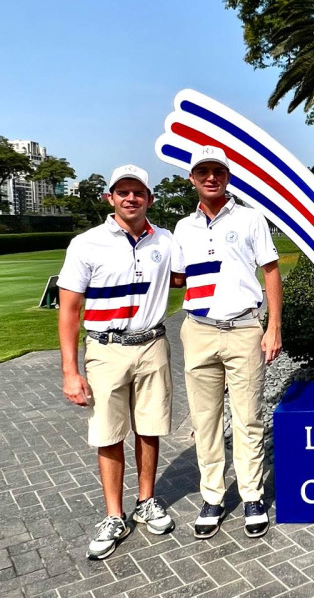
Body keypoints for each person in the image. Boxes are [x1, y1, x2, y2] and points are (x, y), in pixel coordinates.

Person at [58, 165, 176, 560]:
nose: (130, 198)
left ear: (149, 198)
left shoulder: (165, 240)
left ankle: (146, 501)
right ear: (110, 198)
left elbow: (183, 276)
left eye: (138, 192)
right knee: (108, 433)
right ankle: (113, 514)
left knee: (149, 428)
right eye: (122, 192)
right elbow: (70, 311)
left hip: (152, 343)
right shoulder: (86, 243)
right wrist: (70, 371)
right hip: (106, 349)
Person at [171, 145, 283, 539]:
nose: (210, 177)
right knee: (205, 421)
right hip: (198, 330)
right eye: (203, 171)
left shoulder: (251, 218)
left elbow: (271, 271)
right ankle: (213, 497)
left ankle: (251, 494)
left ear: (227, 176)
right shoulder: (183, 228)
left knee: (248, 416)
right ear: (192, 179)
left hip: (244, 328)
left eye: (217, 170)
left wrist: (273, 327)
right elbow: (177, 277)